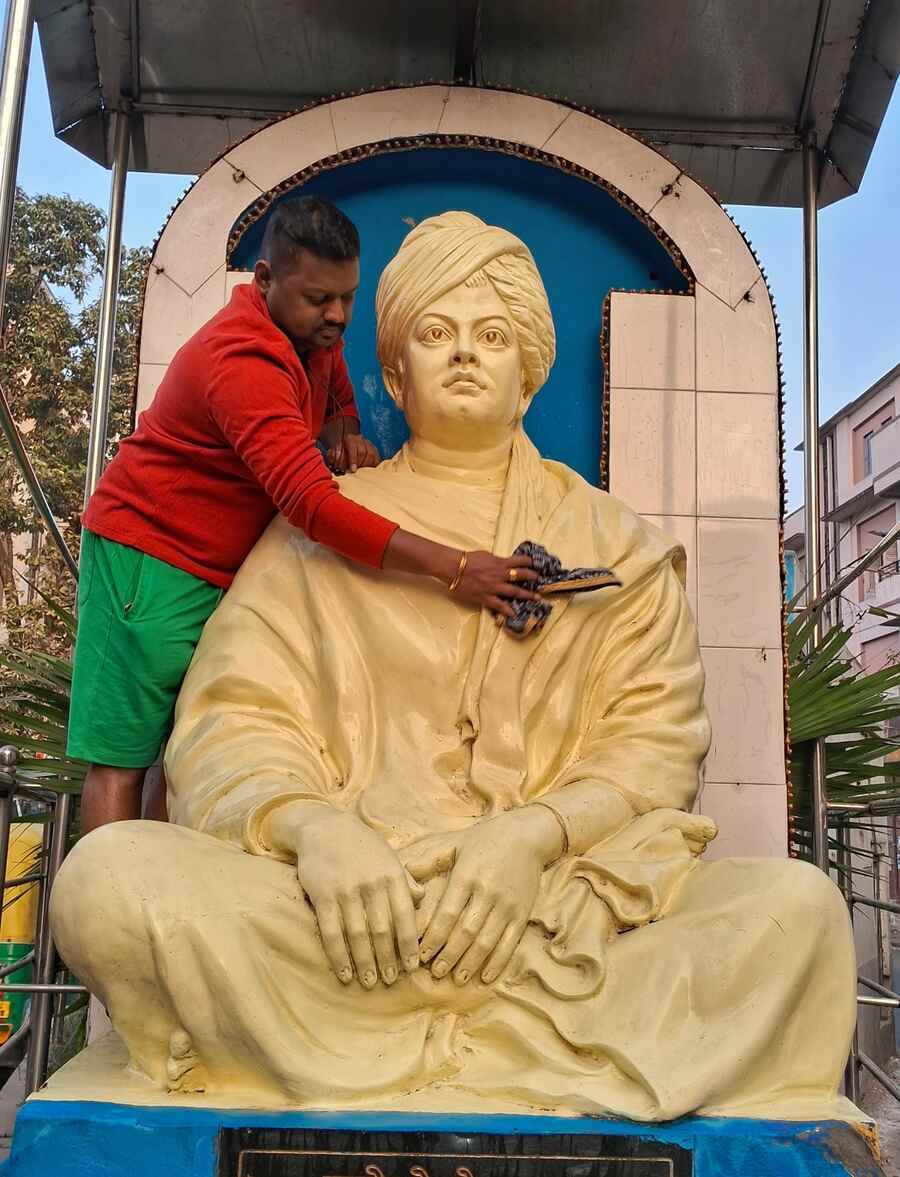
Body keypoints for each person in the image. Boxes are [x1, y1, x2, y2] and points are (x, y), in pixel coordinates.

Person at [51, 212, 856, 1121]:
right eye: (435, 334)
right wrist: (316, 829)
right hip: (341, 925)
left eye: (493, 334)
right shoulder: (321, 530)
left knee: (799, 915)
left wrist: (534, 835)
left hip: (553, 919)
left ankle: (423, 1043)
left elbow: (655, 746)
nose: (465, 355)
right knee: (108, 882)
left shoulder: (614, 546)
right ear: (395, 370)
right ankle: (491, 1046)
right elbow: (233, 720)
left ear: (530, 373)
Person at [69, 197, 539, 833]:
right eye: (320, 299)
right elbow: (312, 506)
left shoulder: (313, 336)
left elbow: (335, 387)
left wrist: (345, 428)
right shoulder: (241, 361)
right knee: (124, 760)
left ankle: (165, 865)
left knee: (189, 744)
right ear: (264, 281)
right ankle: (112, 901)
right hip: (153, 560)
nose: (337, 316)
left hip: (223, 566)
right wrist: (457, 570)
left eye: (347, 297)